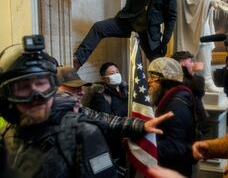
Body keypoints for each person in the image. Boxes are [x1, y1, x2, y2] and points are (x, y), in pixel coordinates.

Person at [0, 36, 173, 178]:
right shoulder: (6, 136)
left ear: (52, 87)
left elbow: (106, 120)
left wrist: (141, 125)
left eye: (41, 83)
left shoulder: (82, 132)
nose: (36, 96)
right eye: (23, 88)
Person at [173, 0, 221, 92]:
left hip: (201, 8)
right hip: (193, 9)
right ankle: (203, 80)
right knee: (202, 42)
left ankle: (204, 79)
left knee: (204, 43)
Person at [148, 57, 196, 177]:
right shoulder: (172, 100)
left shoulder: (175, 107)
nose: (149, 81)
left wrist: (143, 146)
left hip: (174, 171)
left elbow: (175, 147)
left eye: (153, 78)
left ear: (166, 81)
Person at [171, 51, 209, 139]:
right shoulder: (177, 77)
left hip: (195, 125)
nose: (193, 64)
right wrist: (197, 72)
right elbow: (198, 89)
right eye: (190, 61)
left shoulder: (184, 77)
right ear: (181, 63)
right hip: (189, 127)